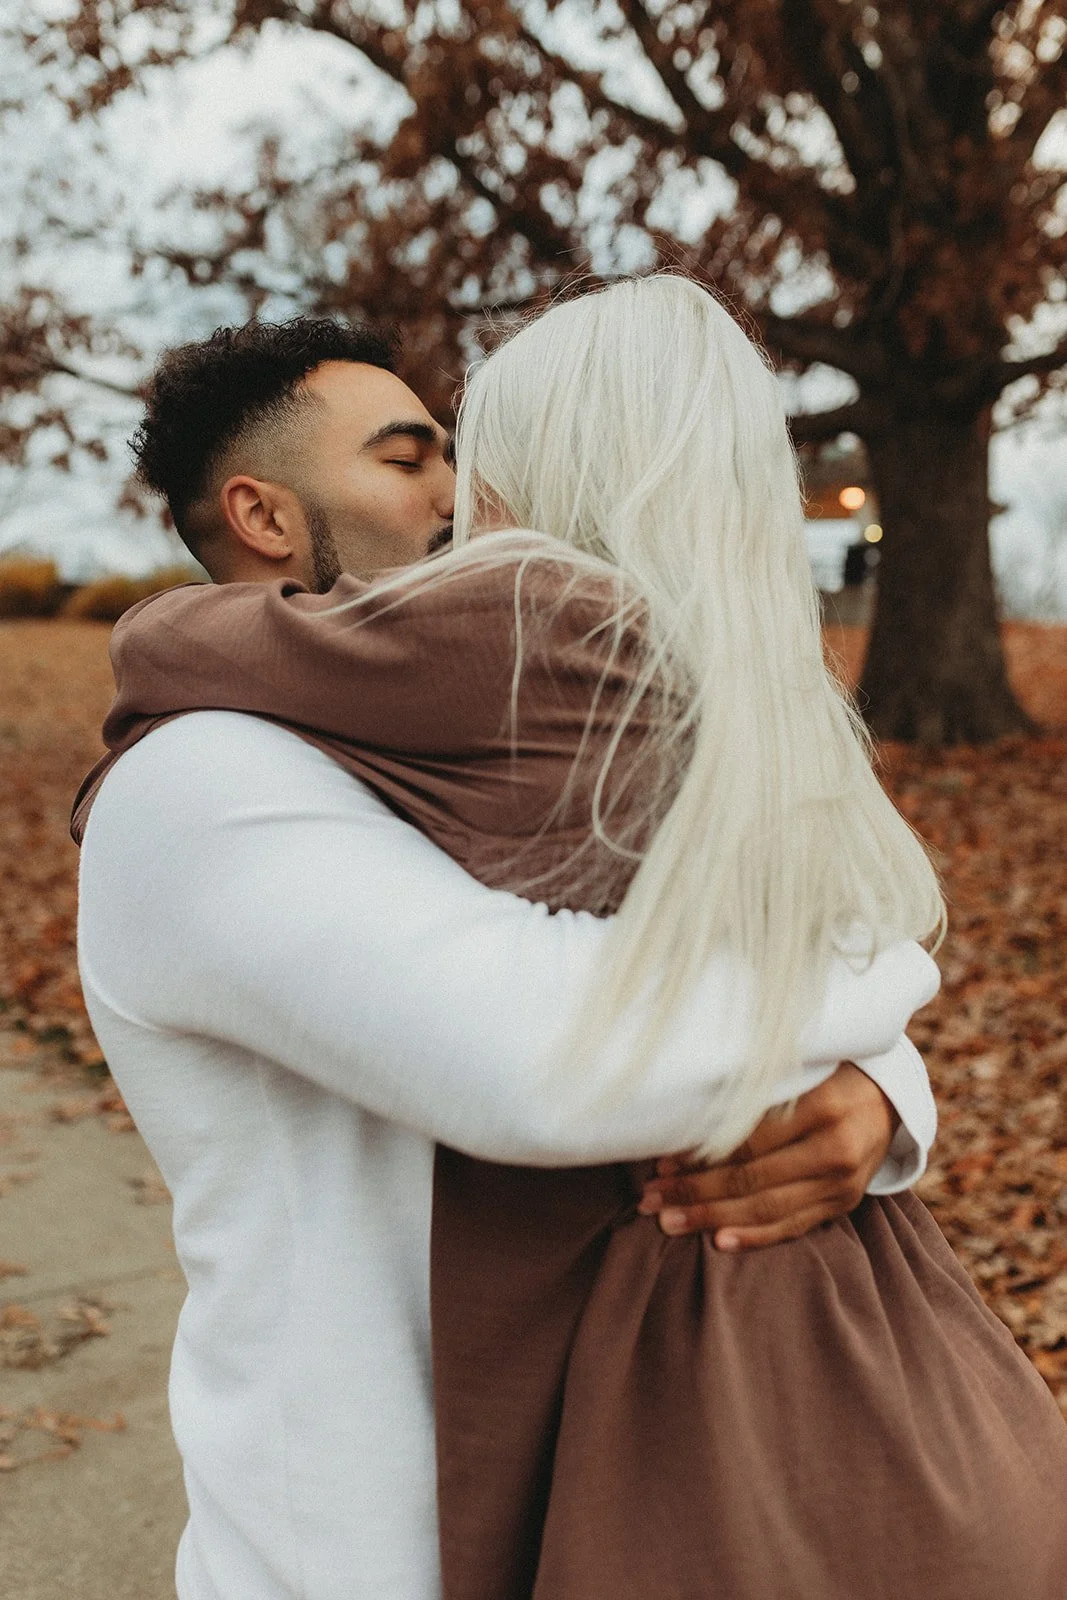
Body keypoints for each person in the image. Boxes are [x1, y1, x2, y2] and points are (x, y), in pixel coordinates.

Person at [79, 282, 1067, 1599]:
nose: (464, 492)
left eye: (460, 449)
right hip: (359, 1542)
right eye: (407, 458)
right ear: (264, 517)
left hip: (607, 1487)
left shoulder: (490, 748)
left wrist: (879, 1094)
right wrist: (879, 989)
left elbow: (719, 924)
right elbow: (551, 1055)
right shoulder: (196, 783)